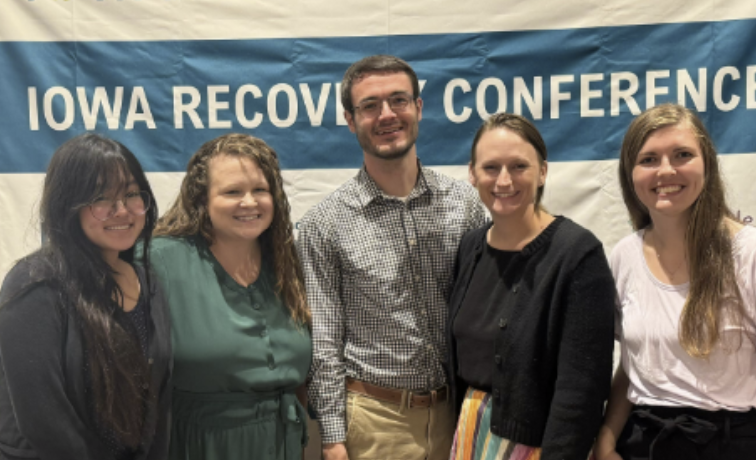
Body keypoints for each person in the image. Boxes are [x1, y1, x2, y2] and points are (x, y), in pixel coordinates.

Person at [297, 54, 487, 460]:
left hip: (459, 414)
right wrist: (332, 439)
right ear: (350, 120)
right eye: (369, 106)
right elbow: (325, 342)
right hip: (375, 422)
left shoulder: (465, 204)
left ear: (418, 108)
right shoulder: (324, 224)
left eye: (398, 100)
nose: (387, 114)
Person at [592, 103, 756, 460]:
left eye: (682, 155)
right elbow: (633, 365)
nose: (666, 170)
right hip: (643, 441)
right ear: (630, 173)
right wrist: (606, 438)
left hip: (734, 444)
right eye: (648, 159)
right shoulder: (624, 255)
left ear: (707, 164)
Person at [445, 113, 616, 460]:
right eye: (491, 167)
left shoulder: (577, 255)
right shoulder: (470, 247)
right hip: (470, 435)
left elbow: (581, 390)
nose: (504, 180)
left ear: (542, 172)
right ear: (472, 173)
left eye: (519, 166)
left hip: (539, 444)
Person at [0, 133, 171, 460]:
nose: (122, 210)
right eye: (101, 198)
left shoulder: (148, 282)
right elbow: (44, 421)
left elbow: (158, 403)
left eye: (133, 194)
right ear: (68, 205)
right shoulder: (35, 284)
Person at [149, 133, 310, 460]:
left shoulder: (286, 262)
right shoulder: (159, 260)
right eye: (232, 191)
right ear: (202, 199)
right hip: (199, 445)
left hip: (284, 445)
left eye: (260, 190)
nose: (249, 202)